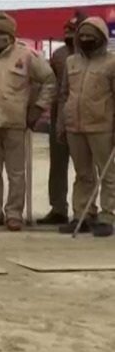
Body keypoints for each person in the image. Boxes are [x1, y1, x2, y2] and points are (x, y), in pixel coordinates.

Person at [0, 13, 55, 232]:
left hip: (16, 123)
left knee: (16, 173)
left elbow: (50, 81)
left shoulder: (26, 56)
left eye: (3, 33)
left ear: (11, 35)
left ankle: (14, 213)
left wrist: (37, 108)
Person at [58, 17, 115, 237]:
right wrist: (62, 123)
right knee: (82, 174)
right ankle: (82, 213)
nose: (85, 39)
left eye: (91, 36)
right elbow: (64, 94)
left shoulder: (111, 63)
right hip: (75, 125)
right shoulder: (71, 62)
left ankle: (108, 216)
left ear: (101, 38)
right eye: (82, 36)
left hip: (102, 126)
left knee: (108, 173)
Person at [40, 16, 80, 226]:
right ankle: (58, 208)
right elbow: (50, 85)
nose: (68, 36)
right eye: (66, 31)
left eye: (73, 31)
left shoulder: (93, 56)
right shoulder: (58, 56)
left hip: (84, 118)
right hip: (59, 115)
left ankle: (85, 210)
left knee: (85, 168)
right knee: (57, 165)